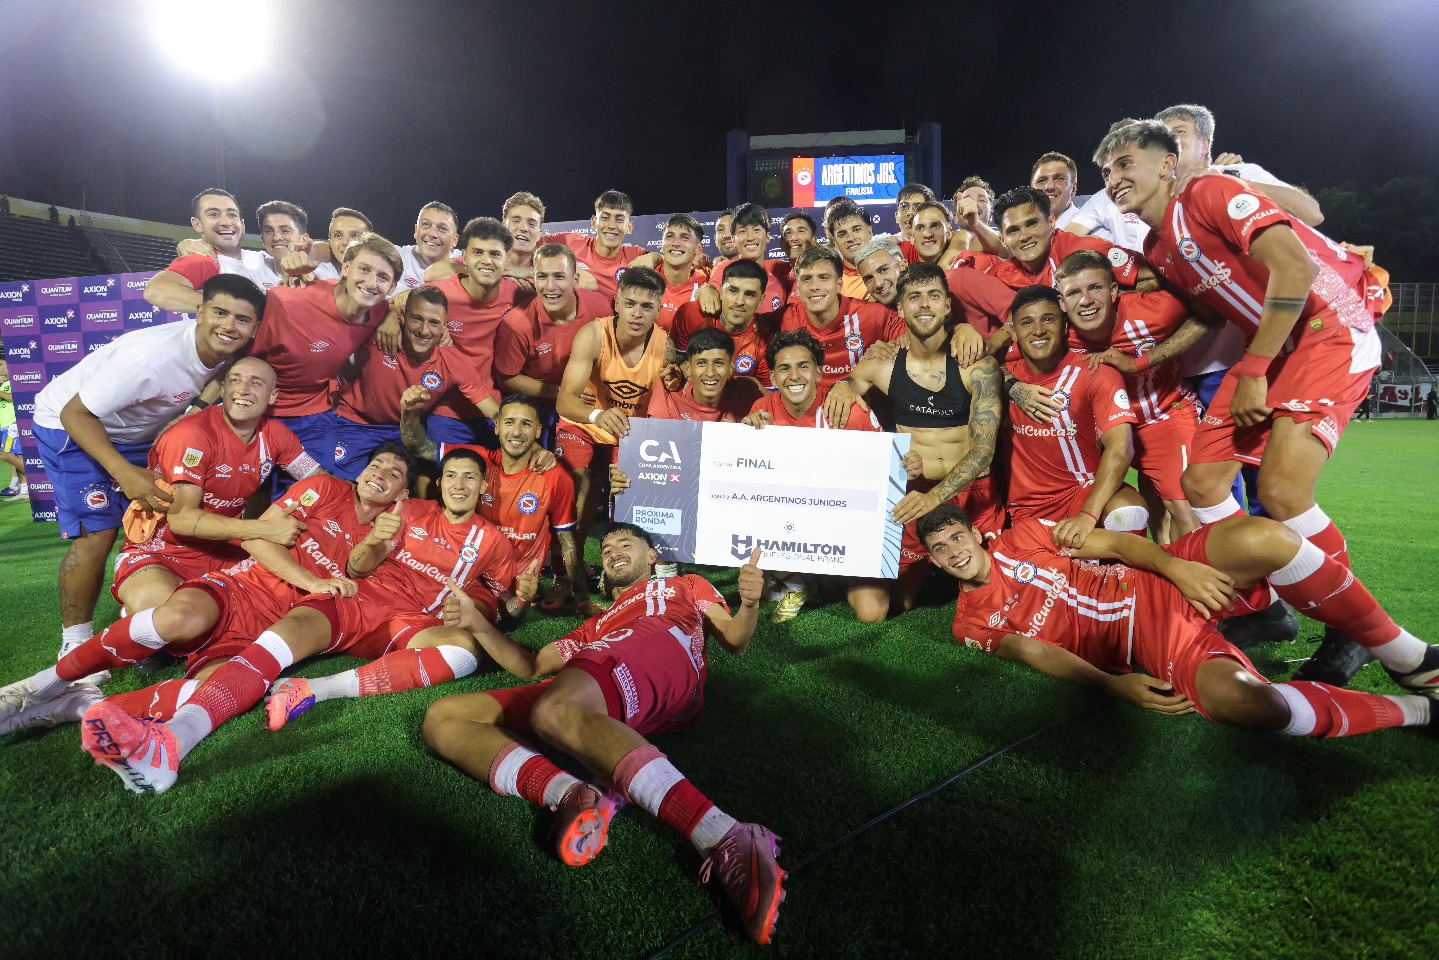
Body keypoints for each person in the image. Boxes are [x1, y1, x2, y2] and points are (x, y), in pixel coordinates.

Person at [1095, 118, 1381, 686]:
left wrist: (1252, 369)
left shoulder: (1210, 189)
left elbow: (1296, 264)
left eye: (1126, 163)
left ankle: (1353, 629)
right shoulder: (1159, 244)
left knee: (1280, 492)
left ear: (1168, 163)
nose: (1114, 177)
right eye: (1107, 170)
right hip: (1273, 349)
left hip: (1328, 327)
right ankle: (1262, 608)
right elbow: (1204, 314)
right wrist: (1142, 359)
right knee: (1202, 485)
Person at [421, 523, 786, 945]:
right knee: (445, 718)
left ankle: (726, 834)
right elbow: (533, 665)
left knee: (554, 710)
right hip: (607, 663)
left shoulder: (684, 584)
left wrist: (751, 603)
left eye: (625, 544)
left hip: (663, 638)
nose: (612, 550)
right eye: (607, 547)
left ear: (653, 557)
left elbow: (735, 639)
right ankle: (571, 793)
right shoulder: (597, 624)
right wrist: (478, 626)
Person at [82, 447, 519, 793]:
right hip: (345, 599)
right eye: (452, 475)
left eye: (470, 477)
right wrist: (370, 548)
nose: (459, 485)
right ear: (437, 483)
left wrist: (478, 609)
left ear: (483, 486)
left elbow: (494, 600)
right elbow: (358, 567)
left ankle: (310, 691)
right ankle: (164, 733)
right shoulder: (402, 511)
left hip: (402, 619)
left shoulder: (494, 542)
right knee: (242, 646)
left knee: (464, 653)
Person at [920, 504, 1439, 737]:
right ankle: (1421, 710)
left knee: (1265, 537)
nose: (952, 551)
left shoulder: (1026, 534)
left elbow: (1119, 543)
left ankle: (1410, 658)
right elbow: (1033, 651)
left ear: (976, 534)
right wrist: (1112, 685)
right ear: (935, 562)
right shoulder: (969, 623)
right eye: (940, 549)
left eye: (956, 537)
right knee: (1249, 705)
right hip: (1152, 645)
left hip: (1154, 582)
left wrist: (1175, 566)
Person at [0, 449, 409, 736]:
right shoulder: (323, 488)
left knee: (222, 690)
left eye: (394, 474)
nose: (381, 475)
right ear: (360, 473)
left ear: (402, 495)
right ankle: (38, 685)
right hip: (242, 589)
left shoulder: (390, 538)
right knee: (180, 616)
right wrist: (313, 582)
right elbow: (258, 539)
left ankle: (73, 708)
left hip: (267, 631)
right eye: (376, 465)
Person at [30, 274, 265, 681]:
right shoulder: (149, 358)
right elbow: (75, 414)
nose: (230, 326)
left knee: (156, 521)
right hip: (71, 425)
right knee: (98, 534)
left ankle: (140, 607)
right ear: (199, 310)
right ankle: (76, 639)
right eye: (220, 313)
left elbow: (214, 377)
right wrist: (125, 474)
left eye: (242, 319)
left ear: (255, 327)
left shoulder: (236, 352)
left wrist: (195, 407)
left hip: (136, 434)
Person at [827, 263, 1005, 619]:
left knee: (999, 590)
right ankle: (857, 564)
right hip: (914, 490)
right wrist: (841, 386)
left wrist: (934, 497)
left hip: (970, 494)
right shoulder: (881, 365)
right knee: (887, 607)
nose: (924, 305)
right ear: (900, 308)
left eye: (933, 296)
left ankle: (943, 568)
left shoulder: (977, 367)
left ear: (948, 305)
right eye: (914, 297)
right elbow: (839, 400)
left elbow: (984, 454)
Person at [110, 357, 320, 616]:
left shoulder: (276, 434)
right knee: (168, 613)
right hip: (164, 550)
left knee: (283, 604)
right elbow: (182, 521)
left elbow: (319, 482)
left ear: (273, 395)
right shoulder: (193, 433)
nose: (242, 389)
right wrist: (266, 529)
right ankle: (140, 605)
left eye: (256, 383)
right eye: (234, 380)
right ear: (222, 389)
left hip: (225, 551)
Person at [1054, 250, 1209, 541]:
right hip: (1105, 434)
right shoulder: (1057, 333)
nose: (1086, 301)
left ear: (1114, 290)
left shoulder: (1155, 309)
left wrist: (1142, 361)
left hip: (1163, 416)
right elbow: (1010, 355)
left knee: (1185, 507)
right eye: (1074, 293)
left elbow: (1211, 315)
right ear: (1062, 303)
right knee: (1153, 511)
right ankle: (1163, 577)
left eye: (1095, 288)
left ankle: (1205, 581)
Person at [402, 394, 591, 617]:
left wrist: (582, 597)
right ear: (497, 427)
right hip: (463, 571)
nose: (517, 432)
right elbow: (418, 446)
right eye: (509, 422)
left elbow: (567, 540)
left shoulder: (554, 478)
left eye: (526, 424)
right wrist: (409, 412)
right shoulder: (478, 462)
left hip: (512, 586)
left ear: (538, 431)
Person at [743, 329, 883, 623]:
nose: (794, 376)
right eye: (784, 368)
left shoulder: (846, 408)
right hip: (792, 522)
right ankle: (794, 578)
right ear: (774, 377)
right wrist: (746, 438)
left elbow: (880, 470)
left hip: (842, 525)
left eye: (803, 366)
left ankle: (816, 577)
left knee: (872, 612)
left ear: (819, 373)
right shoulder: (762, 409)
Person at [554, 267, 677, 577]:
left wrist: (676, 383)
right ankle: (566, 570)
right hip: (585, 422)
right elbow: (565, 401)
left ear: (658, 310)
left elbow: (670, 409)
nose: (637, 313)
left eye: (647, 306)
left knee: (634, 494)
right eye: (630, 303)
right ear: (617, 302)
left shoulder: (666, 347)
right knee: (573, 484)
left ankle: (639, 572)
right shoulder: (595, 334)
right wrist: (598, 414)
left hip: (629, 434)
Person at [250, 232, 403, 475]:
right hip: (260, 411)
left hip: (314, 416)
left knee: (317, 492)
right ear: (345, 268)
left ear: (393, 287)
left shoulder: (379, 311)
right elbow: (241, 361)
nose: (372, 282)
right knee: (242, 489)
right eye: (364, 269)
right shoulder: (289, 301)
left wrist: (391, 314)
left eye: (383, 277)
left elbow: (395, 305)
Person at [1004, 286, 1149, 538]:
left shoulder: (1095, 371)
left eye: (1048, 319)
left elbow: (1121, 448)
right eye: (1027, 323)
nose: (1038, 330)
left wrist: (1088, 515)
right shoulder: (1000, 375)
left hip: (1084, 492)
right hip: (1026, 508)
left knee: (1129, 513)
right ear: (1014, 333)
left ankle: (1130, 577)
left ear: (1065, 327)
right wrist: (1008, 383)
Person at [376, 217, 532, 449]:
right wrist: (387, 315)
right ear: (464, 257)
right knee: (445, 478)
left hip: (494, 407)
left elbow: (571, 284)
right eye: (478, 252)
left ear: (507, 260)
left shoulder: (519, 294)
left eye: (495, 254)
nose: (486, 261)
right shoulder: (440, 294)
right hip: (447, 411)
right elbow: (393, 303)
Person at [331, 284, 499, 480]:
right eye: (417, 319)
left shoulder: (453, 362)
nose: (424, 330)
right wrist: (388, 311)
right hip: (355, 423)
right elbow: (345, 300)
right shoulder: (379, 332)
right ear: (404, 318)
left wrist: (533, 448)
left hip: (402, 433)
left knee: (410, 485)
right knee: (339, 487)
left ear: (445, 326)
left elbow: (496, 412)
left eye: (434, 323)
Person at [491, 243, 612, 437]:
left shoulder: (599, 305)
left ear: (576, 280)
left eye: (559, 276)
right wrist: (563, 393)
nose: (549, 287)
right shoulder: (516, 324)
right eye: (542, 276)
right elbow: (507, 378)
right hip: (542, 406)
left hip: (593, 401)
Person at [779, 246, 904, 390]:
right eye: (807, 279)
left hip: (860, 407)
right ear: (798, 287)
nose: (814, 286)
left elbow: (916, 343)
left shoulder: (872, 315)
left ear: (839, 284)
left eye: (824, 277)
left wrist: (889, 351)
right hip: (807, 409)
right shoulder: (785, 319)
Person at [145, 189, 283, 311]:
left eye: (232, 214)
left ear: (242, 224)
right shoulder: (203, 259)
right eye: (213, 214)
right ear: (197, 224)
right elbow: (158, 290)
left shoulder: (265, 259)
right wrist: (236, 310)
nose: (226, 222)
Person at [670, 258, 778, 382]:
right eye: (733, 291)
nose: (739, 301)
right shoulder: (691, 315)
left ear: (761, 300)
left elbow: (766, 394)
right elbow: (676, 360)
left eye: (749, 294)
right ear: (720, 291)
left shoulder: (765, 339)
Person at [543, 190, 650, 300]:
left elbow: (666, 267)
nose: (611, 225)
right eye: (605, 218)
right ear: (594, 222)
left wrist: (656, 257)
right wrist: (571, 271)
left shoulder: (636, 256)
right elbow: (531, 246)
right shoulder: (571, 243)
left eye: (619, 220)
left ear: (629, 227)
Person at [701, 203, 791, 313]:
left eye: (756, 230)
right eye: (743, 231)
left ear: (767, 237)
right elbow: (708, 298)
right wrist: (706, 289)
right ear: (734, 239)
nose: (750, 237)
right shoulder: (723, 269)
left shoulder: (778, 286)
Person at [824, 200, 877, 300]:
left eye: (856, 230)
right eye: (842, 234)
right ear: (835, 242)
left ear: (869, 232)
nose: (851, 238)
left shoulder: (892, 268)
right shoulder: (831, 283)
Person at [1031, 152, 1082, 230]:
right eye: (1042, 180)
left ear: (1073, 189)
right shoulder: (1023, 232)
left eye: (1059, 179)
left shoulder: (1090, 228)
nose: (1049, 186)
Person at [0, 359, 27, 501]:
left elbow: (16, 398)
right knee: (16, 456)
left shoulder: (14, 383)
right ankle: (24, 489)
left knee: (6, 455)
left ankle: (35, 479)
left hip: (12, 426)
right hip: (4, 427)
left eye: (0, 365)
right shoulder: (4, 384)